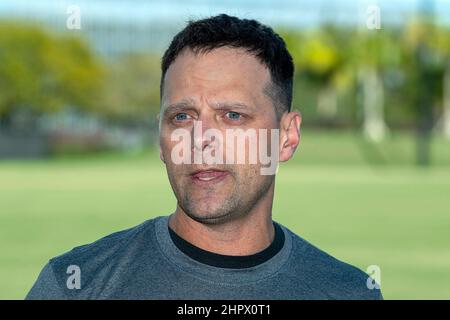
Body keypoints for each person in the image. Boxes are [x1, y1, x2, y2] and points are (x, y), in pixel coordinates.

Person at [26, 14, 382, 300]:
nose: (201, 141)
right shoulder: (76, 285)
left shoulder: (348, 291)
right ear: (161, 140)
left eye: (232, 116)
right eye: (182, 117)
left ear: (287, 137)